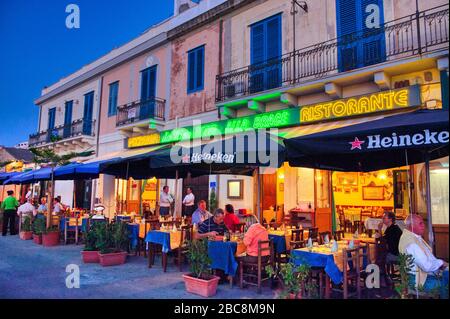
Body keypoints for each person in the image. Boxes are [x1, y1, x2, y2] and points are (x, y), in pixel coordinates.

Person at [399, 214, 448, 298]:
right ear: (412, 226)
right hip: (416, 280)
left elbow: (429, 259)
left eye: (423, 223)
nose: (423, 226)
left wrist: (441, 266)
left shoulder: (413, 237)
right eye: (420, 223)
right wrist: (441, 263)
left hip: (422, 275)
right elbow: (427, 266)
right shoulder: (411, 243)